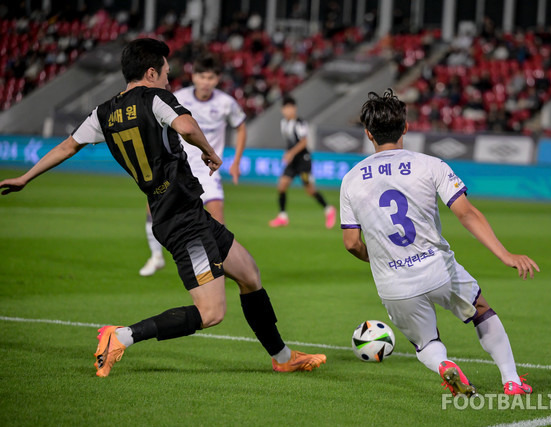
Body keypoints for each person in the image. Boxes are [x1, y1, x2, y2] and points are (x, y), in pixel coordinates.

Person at [0, 38, 326, 377]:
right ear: (151, 72)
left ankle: (284, 357)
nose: (170, 80)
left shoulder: (103, 112)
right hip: (182, 221)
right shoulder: (155, 98)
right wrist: (209, 151)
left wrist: (26, 177)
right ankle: (122, 336)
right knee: (212, 312)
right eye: (167, 73)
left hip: (183, 211)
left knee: (249, 274)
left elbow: (68, 146)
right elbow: (185, 126)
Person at [340, 89, 539, 396]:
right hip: (438, 269)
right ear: (405, 127)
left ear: (368, 134)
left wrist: (379, 259)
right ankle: (511, 380)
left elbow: (351, 242)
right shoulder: (430, 165)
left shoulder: (351, 179)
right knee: (481, 310)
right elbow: (467, 213)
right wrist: (505, 254)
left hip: (393, 283)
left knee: (426, 343)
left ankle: (444, 364)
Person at [139, 54, 247, 277]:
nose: (206, 82)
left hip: (209, 170)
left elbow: (241, 126)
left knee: (218, 222)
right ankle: (156, 256)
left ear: (217, 79)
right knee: (153, 209)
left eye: (210, 77)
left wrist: (236, 161)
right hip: (178, 167)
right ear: (194, 77)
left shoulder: (226, 103)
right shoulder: (178, 97)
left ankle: (220, 268)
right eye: (201, 76)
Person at [269, 95, 336, 228]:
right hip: (292, 161)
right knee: (282, 185)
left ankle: (329, 209)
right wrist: (289, 153)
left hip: (303, 161)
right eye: (285, 108)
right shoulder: (283, 123)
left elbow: (304, 141)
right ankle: (283, 216)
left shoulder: (300, 123)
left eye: (290, 108)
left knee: (310, 190)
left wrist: (291, 153)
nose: (287, 111)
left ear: (294, 108)